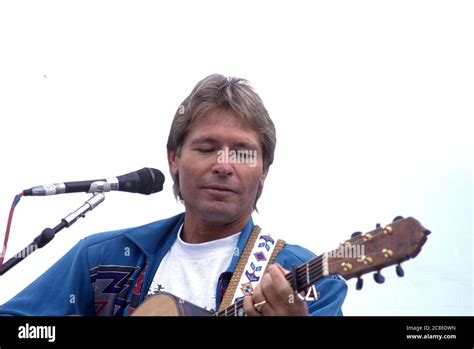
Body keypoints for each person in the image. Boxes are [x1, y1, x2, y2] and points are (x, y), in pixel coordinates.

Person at [0, 74, 347, 316]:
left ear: (264, 172)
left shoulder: (306, 278)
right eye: (207, 148)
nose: (224, 165)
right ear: (174, 159)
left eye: (242, 152)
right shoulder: (102, 259)